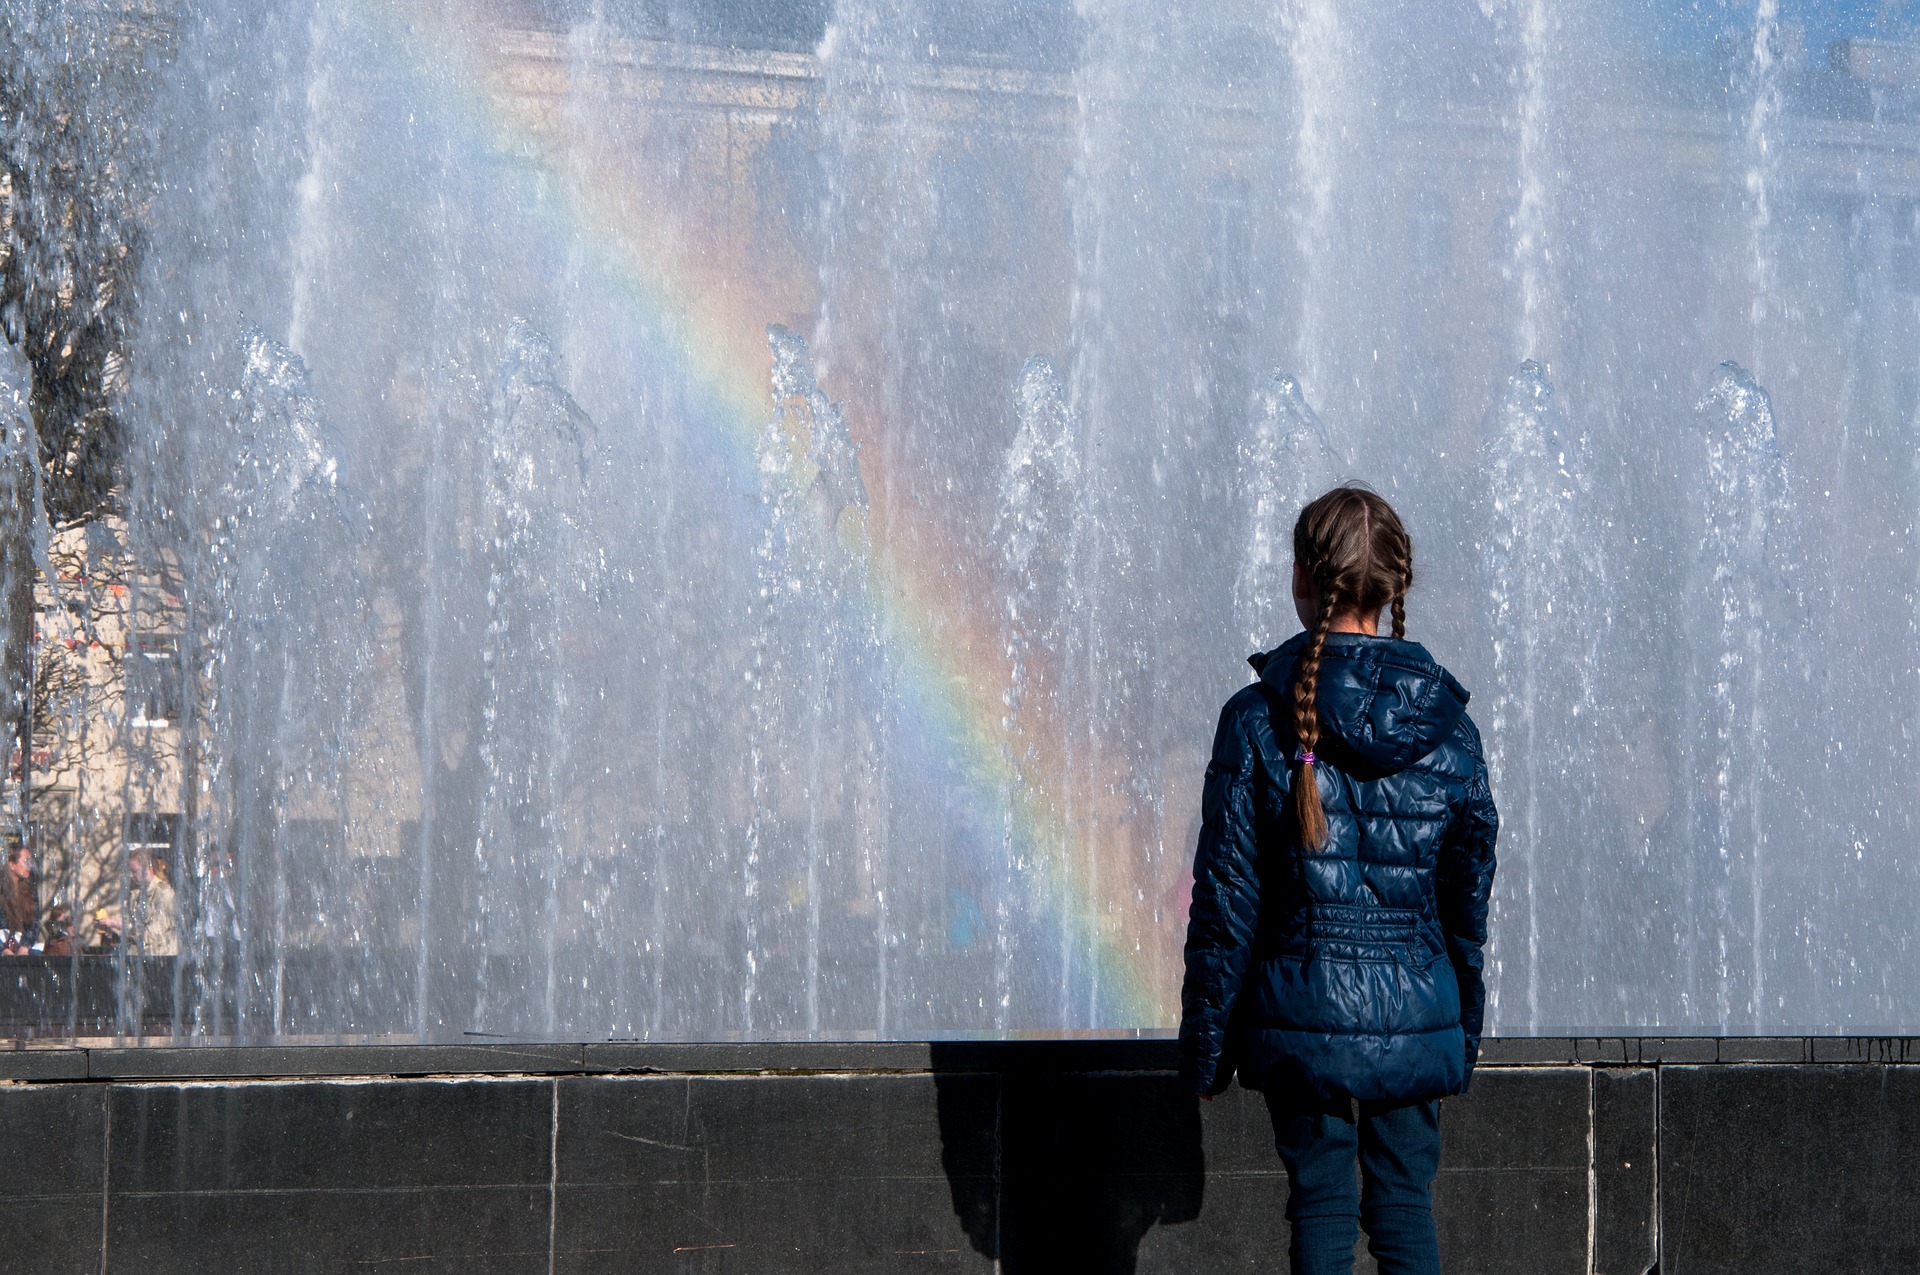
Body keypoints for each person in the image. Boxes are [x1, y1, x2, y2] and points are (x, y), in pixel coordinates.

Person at [1179, 486, 1498, 1275]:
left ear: (1301, 579)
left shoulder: (1257, 719)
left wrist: (1206, 1050)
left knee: (1320, 1204)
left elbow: (1227, 899)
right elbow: (1467, 896)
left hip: (1301, 1005)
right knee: (1403, 1205)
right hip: (1418, 1001)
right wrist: (1461, 1022)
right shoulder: (1452, 731)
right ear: (1393, 589)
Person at [127, 851, 179, 958]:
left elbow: (153, 935)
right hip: (141, 960)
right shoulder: (136, 896)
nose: (130, 875)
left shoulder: (164, 894)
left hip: (160, 960)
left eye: (134, 871)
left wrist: (123, 927)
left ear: (147, 868)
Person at [0, 846, 35, 954]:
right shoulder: (2, 887)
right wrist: (3, 948)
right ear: (12, 865)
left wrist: (25, 945)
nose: (30, 865)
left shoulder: (29, 888)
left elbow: (34, 921)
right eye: (26, 861)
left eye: (30, 861)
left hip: (20, 943)